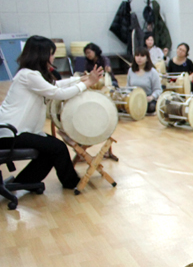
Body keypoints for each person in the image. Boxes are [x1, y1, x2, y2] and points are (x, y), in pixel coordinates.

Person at [0, 35, 103, 190]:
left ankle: (23, 183)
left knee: (50, 151)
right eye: (52, 53)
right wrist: (87, 83)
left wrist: (80, 80)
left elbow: (54, 84)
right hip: (11, 134)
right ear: (42, 55)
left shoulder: (30, 74)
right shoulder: (29, 75)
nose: (53, 57)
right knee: (57, 147)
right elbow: (57, 93)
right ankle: (72, 183)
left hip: (16, 131)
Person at [127, 47, 162, 114]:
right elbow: (128, 87)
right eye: (137, 56)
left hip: (147, 99)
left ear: (147, 58)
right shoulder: (131, 71)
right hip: (134, 99)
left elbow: (158, 89)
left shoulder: (153, 72)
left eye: (142, 56)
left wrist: (151, 97)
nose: (139, 58)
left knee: (151, 107)